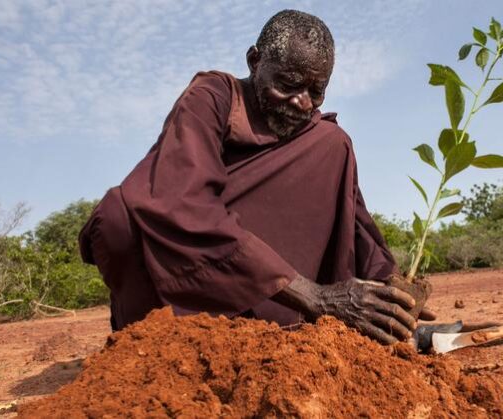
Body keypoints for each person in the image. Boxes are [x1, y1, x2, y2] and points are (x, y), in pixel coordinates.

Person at [79, 9, 434, 345]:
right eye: (288, 84)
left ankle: (288, 327)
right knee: (118, 215)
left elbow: (354, 220)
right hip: (184, 285)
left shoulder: (318, 139)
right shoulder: (211, 98)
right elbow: (183, 202)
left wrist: (392, 293)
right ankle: (152, 336)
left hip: (267, 303)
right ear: (254, 61)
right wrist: (315, 297)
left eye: (316, 92)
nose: (302, 103)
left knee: (332, 142)